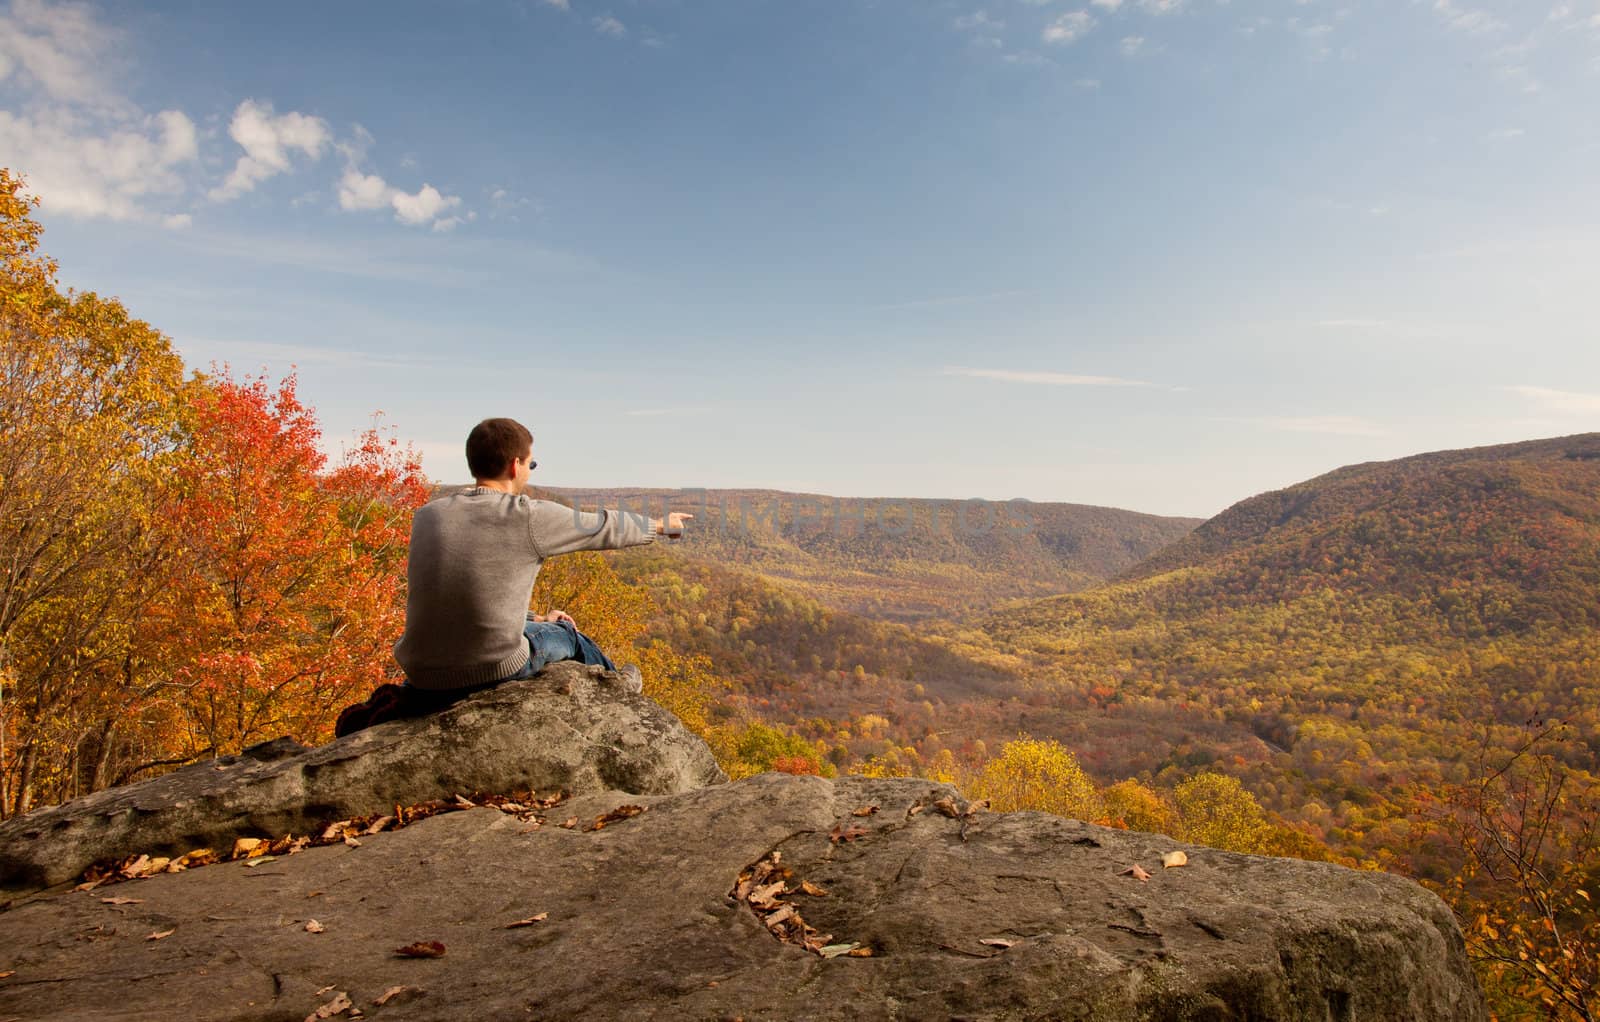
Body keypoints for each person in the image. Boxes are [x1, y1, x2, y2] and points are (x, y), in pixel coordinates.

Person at [335, 417, 690, 738]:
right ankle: (618, 687)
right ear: (514, 464)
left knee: (543, 624)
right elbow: (600, 526)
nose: (530, 472)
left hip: (422, 677)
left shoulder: (428, 516)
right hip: (492, 669)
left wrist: (532, 619)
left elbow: (462, 595)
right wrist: (661, 526)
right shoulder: (525, 516)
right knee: (567, 635)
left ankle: (546, 633)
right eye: (530, 464)